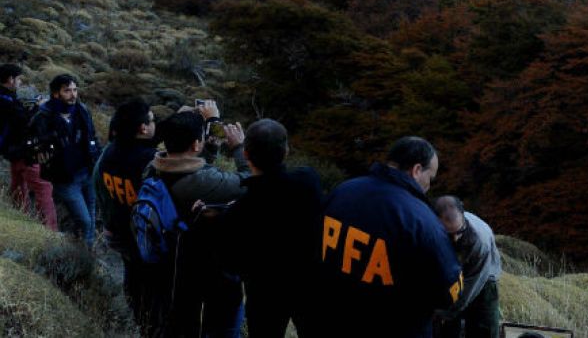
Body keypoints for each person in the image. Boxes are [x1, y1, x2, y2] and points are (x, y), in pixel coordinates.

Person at [318, 136, 464, 338]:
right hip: (393, 326)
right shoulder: (422, 222)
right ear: (416, 170)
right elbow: (449, 291)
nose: (429, 186)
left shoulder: (342, 191)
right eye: (430, 178)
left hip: (331, 320)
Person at [207, 118, 323, 337]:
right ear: (286, 151)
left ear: (248, 155)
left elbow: (229, 263)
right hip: (308, 284)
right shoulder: (308, 181)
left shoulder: (238, 211)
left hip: (264, 292)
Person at [147, 109, 251, 338]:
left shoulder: (154, 165)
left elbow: (194, 168)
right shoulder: (199, 182)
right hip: (200, 262)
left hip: (167, 254)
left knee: (179, 318)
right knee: (221, 320)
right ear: (195, 144)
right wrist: (238, 148)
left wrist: (210, 149)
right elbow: (247, 181)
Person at [93, 98, 159, 333]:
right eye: (152, 120)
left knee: (132, 277)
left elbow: (98, 186)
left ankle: (138, 320)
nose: (154, 124)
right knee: (152, 287)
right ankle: (151, 326)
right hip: (144, 236)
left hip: (120, 230)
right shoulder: (150, 159)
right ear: (142, 128)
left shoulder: (109, 153)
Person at [29, 73, 100, 246]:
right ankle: (79, 254)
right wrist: (43, 148)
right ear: (56, 94)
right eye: (67, 91)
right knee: (85, 221)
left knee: (90, 216)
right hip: (65, 179)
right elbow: (32, 144)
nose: (73, 94)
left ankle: (86, 254)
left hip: (87, 172)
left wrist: (97, 158)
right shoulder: (44, 117)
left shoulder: (82, 111)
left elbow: (92, 136)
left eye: (75, 90)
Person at [434, 195, 502, 338]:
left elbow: (468, 291)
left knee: (483, 326)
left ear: (463, 217)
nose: (455, 239)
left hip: (482, 276)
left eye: (459, 232)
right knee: (445, 326)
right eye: (449, 234)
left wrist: (446, 313)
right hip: (451, 271)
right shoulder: (429, 229)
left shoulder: (480, 241)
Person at [0, 64, 57, 231]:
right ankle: (50, 231)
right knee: (43, 187)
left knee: (18, 184)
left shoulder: (6, 98)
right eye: (18, 79)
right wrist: (38, 108)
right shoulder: (6, 101)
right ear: (10, 80)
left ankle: (19, 219)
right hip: (23, 151)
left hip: (11, 151)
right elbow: (25, 123)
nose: (19, 82)